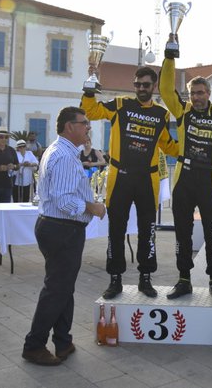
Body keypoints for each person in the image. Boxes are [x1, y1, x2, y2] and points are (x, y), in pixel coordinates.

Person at [82, 66, 178, 300]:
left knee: (148, 231)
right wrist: (89, 90)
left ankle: (145, 278)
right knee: (116, 230)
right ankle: (115, 280)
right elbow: (91, 111)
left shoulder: (162, 114)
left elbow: (168, 145)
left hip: (148, 179)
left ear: (154, 87)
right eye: (137, 84)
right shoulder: (120, 104)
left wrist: (191, 146)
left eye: (146, 85)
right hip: (120, 177)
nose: (141, 88)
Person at [22, 107, 106, 366]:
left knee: (63, 287)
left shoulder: (60, 150)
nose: (88, 128)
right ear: (70, 126)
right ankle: (34, 345)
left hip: (59, 228)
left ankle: (63, 341)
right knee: (57, 289)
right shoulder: (64, 156)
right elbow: (64, 200)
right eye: (84, 123)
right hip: (62, 229)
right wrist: (92, 207)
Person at [160, 42, 212, 302]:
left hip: (210, 180)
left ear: (209, 93)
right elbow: (165, 89)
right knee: (182, 232)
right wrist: (170, 57)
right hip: (184, 177)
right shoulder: (183, 112)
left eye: (201, 93)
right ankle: (183, 279)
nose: (197, 97)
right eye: (193, 94)